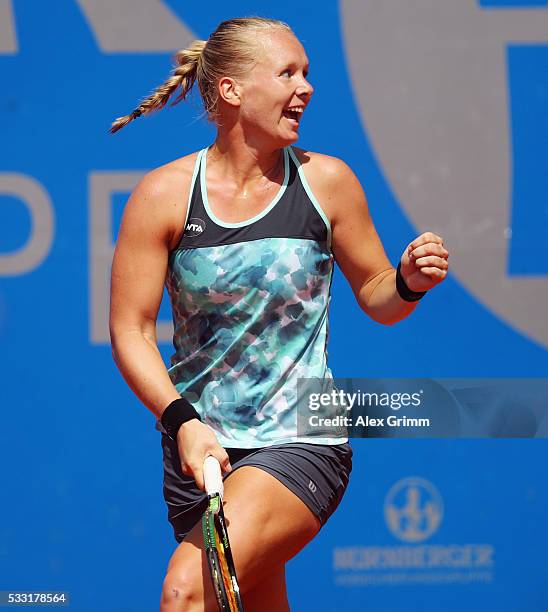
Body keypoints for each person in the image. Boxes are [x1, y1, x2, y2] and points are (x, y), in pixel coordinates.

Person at [109, 16, 449, 612]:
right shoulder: (162, 196)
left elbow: (376, 292)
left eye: (308, 73)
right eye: (287, 73)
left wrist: (407, 282)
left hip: (302, 437)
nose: (307, 87)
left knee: (185, 595)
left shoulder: (328, 182)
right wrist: (182, 420)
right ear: (233, 90)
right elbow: (130, 329)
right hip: (200, 449)